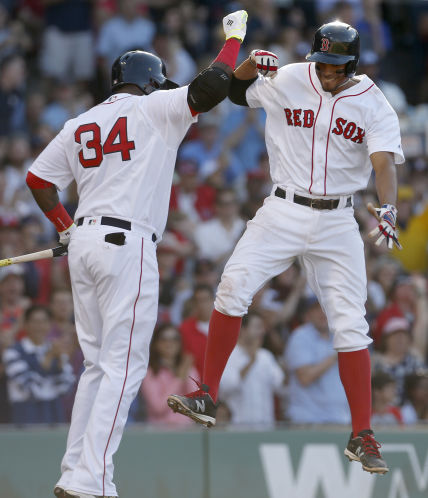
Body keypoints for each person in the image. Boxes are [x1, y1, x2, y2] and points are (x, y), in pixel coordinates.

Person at [26, 10, 249, 498]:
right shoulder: (153, 108)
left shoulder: (80, 121)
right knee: (123, 368)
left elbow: (39, 180)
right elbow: (211, 86)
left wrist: (64, 227)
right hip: (127, 244)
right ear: (150, 83)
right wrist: (233, 40)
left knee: (96, 367)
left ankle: (75, 472)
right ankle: (92, 480)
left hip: (84, 241)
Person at [168, 21, 404, 475]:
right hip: (283, 207)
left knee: (350, 325)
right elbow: (238, 95)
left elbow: (382, 162)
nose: (327, 72)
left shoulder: (374, 102)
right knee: (232, 286)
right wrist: (249, 66)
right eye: (323, 63)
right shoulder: (295, 75)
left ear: (352, 63)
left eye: (336, 66)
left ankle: (363, 434)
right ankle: (208, 394)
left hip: (338, 218)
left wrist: (388, 207)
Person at [3, 305, 75, 424]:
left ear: (50, 325)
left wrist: (59, 364)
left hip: (54, 411)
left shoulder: (56, 349)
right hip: (25, 412)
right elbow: (31, 389)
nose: (39, 327)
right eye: (35, 322)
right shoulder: (13, 352)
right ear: (25, 325)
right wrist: (49, 358)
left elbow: (66, 388)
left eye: (44, 321)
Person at [284, 298, 350, 425]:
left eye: (326, 308)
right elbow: (305, 377)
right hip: (309, 419)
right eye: (317, 309)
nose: (322, 313)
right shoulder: (300, 336)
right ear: (307, 315)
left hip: (340, 417)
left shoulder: (339, 336)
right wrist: (336, 354)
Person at [219, 311, 285, 427]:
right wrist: (251, 361)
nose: (262, 332)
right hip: (239, 428)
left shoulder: (265, 356)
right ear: (243, 330)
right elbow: (226, 387)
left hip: (266, 426)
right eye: (257, 327)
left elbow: (280, 386)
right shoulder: (228, 356)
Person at [140, 323, 198, 426]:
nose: (169, 343)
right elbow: (158, 407)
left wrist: (187, 372)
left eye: (175, 339)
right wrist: (179, 378)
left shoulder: (187, 367)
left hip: (187, 430)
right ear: (156, 343)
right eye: (164, 338)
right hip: (160, 433)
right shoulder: (149, 372)